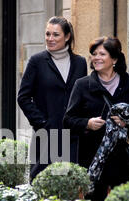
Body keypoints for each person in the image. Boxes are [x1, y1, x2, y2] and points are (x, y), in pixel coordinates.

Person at [63, 36, 129, 201]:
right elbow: (68, 120)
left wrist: (127, 123)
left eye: (102, 54)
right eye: (94, 54)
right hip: (92, 160)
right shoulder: (82, 85)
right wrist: (87, 123)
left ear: (115, 58)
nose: (96, 58)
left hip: (122, 161)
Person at [17, 16, 87, 182]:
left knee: (71, 184)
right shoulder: (37, 61)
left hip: (73, 136)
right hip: (46, 135)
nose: (50, 38)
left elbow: (84, 97)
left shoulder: (80, 63)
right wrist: (41, 123)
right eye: (47, 34)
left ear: (67, 36)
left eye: (55, 35)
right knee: (42, 183)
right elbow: (23, 97)